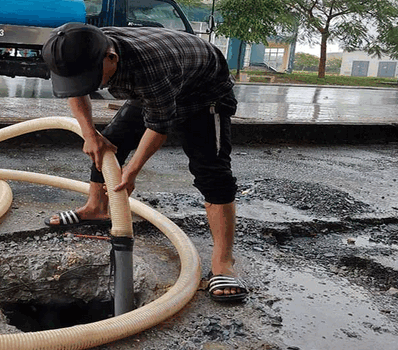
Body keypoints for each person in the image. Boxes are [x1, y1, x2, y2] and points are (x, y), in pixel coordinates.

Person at [42, 22, 248, 302]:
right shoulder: (77, 47)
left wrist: (132, 171)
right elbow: (76, 91)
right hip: (157, 86)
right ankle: (95, 208)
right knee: (108, 142)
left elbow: (159, 125)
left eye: (90, 78)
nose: (88, 85)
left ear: (111, 58)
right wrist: (91, 134)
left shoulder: (150, 67)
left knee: (211, 171)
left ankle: (223, 262)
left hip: (203, 93)